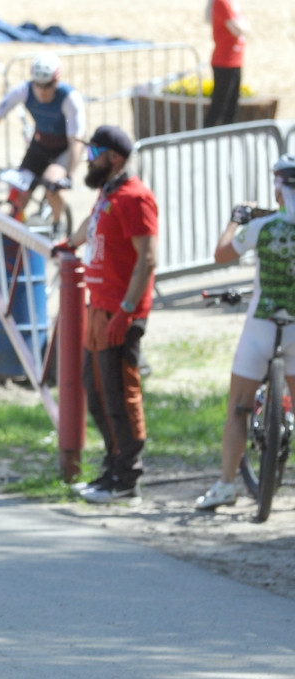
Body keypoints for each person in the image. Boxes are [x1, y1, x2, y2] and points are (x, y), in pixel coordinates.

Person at [60, 125, 158, 504]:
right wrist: (70, 243)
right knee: (98, 392)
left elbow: (148, 258)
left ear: (113, 157)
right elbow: (94, 223)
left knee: (120, 395)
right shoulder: (109, 190)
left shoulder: (135, 197)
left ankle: (126, 478)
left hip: (120, 312)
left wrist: (127, 312)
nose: (88, 159)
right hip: (98, 308)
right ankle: (112, 466)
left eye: (93, 153)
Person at [195, 156, 295, 510]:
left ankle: (225, 485)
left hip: (261, 328)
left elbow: (222, 253)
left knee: (238, 409)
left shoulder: (263, 227)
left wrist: (236, 219)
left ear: (279, 189)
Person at [0, 52, 85, 236]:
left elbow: (76, 141)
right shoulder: (23, 90)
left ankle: (57, 225)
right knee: (19, 191)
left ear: (56, 81)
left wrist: (70, 175)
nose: (42, 91)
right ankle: (14, 232)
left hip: (63, 149)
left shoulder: (70, 98)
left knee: (52, 185)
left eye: (47, 85)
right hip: (40, 145)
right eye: (37, 85)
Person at [205, 0, 250, 127]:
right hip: (224, 61)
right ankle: (206, 136)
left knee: (232, 106)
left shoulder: (232, 3)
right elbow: (236, 29)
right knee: (219, 106)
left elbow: (245, 26)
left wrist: (243, 27)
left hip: (236, 59)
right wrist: (242, 27)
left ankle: (228, 139)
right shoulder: (221, 2)